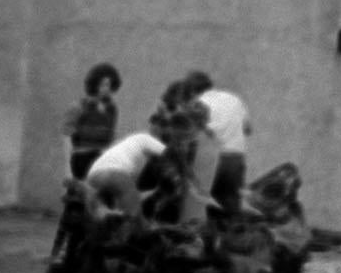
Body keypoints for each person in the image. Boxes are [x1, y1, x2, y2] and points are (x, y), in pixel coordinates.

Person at [83, 115, 184, 222]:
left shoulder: (131, 145)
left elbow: (135, 194)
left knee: (111, 212)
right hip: (114, 173)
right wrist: (178, 177)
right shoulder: (146, 139)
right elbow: (169, 154)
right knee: (134, 216)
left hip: (93, 176)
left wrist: (155, 192)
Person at [183, 71, 252, 214]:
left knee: (211, 208)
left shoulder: (197, 105)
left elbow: (191, 138)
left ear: (191, 90)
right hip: (236, 158)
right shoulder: (234, 99)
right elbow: (248, 129)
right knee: (232, 208)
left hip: (211, 161)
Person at [61, 63, 123, 182]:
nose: (106, 88)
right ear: (95, 84)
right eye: (103, 84)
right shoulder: (79, 107)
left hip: (102, 160)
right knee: (79, 197)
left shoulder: (111, 109)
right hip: (81, 159)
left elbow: (111, 137)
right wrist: (68, 169)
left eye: (110, 85)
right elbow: (67, 136)